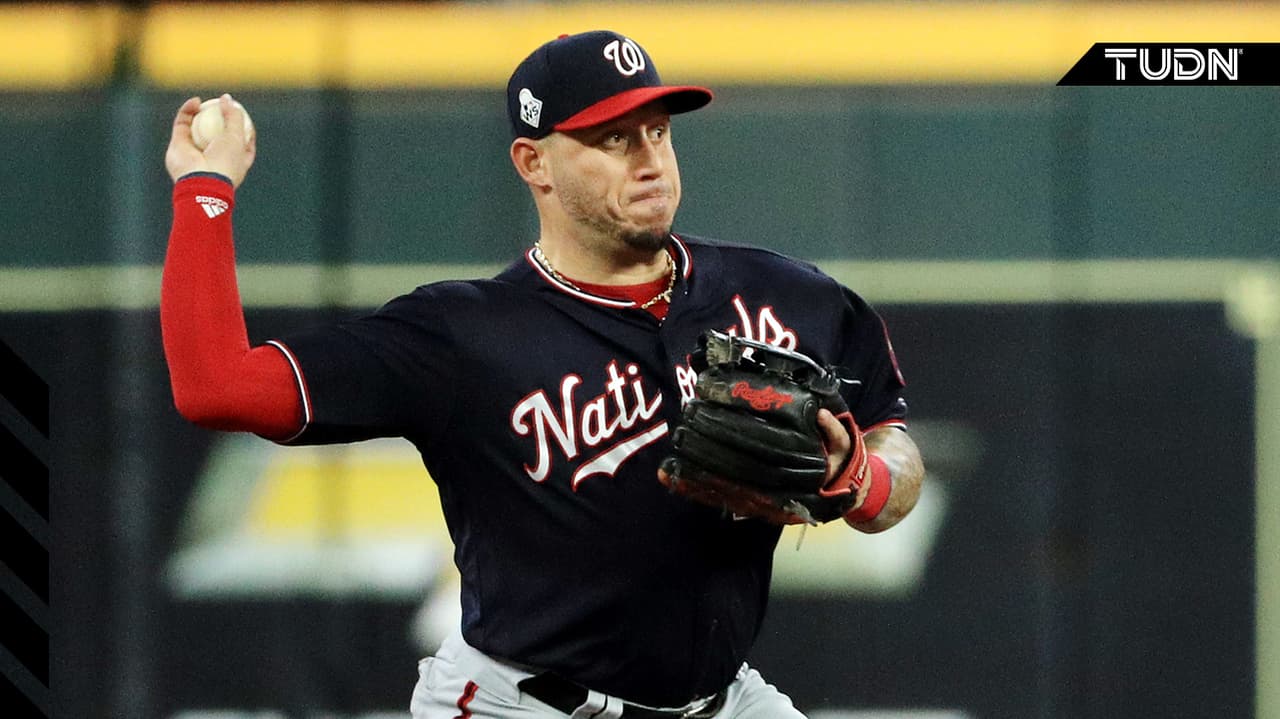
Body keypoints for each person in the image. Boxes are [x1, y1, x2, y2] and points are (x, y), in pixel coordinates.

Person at [162, 30, 924, 719]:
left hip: (723, 700)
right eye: (613, 138)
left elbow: (894, 446)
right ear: (534, 163)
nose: (649, 160)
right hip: (523, 704)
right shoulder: (462, 336)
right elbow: (215, 387)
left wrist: (862, 478)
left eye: (658, 131)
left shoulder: (787, 296)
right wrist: (204, 189)